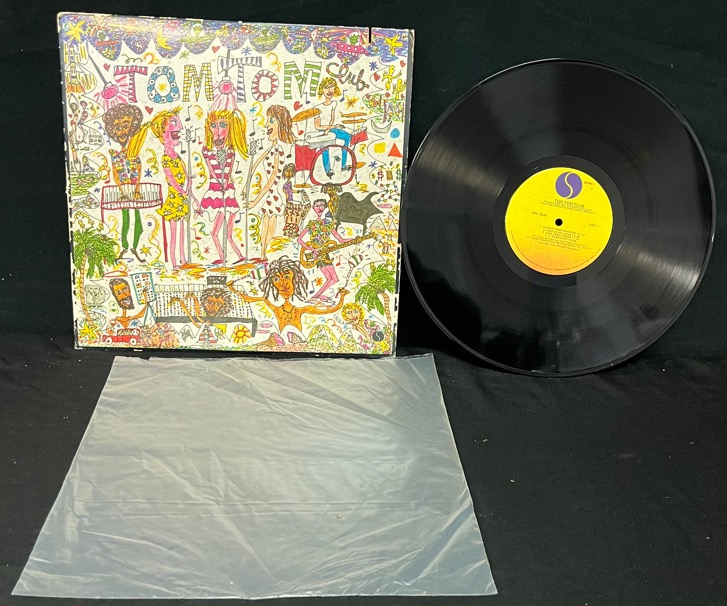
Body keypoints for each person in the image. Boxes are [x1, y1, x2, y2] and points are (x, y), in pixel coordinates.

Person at [130, 107, 190, 269]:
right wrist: (182, 191)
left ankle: (183, 259)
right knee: (174, 232)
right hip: (174, 200)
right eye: (174, 123)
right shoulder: (166, 158)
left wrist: (189, 189)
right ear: (163, 133)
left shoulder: (178, 157)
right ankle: (174, 262)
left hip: (183, 199)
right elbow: (171, 179)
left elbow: (186, 176)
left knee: (182, 230)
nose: (180, 127)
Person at [199, 79, 249, 265]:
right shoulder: (207, 151)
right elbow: (212, 171)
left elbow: (226, 172)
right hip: (218, 192)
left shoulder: (230, 151)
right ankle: (226, 257)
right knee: (217, 232)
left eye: (223, 125)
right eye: (214, 126)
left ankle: (233, 257)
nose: (218, 131)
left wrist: (225, 182)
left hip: (227, 194)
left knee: (223, 233)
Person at [229, 256, 347, 334]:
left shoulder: (300, 309)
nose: (283, 284)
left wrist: (342, 297)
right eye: (276, 279)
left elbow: (331, 309)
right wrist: (232, 289)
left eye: (286, 277)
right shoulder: (274, 307)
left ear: (295, 280)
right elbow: (248, 299)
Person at [247, 105, 295, 261]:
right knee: (265, 223)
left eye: (272, 120)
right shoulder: (271, 149)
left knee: (269, 223)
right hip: (270, 194)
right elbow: (254, 166)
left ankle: (264, 253)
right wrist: (247, 182)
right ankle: (262, 253)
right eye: (267, 120)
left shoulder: (278, 151)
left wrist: (255, 201)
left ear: (281, 124)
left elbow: (272, 179)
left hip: (273, 194)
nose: (267, 124)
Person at [103, 103, 146, 262]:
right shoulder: (115, 155)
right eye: (117, 127)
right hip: (124, 192)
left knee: (137, 220)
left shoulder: (134, 154)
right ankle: (125, 247)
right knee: (126, 219)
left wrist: (137, 189)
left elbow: (139, 172)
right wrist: (122, 192)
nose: (121, 131)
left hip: (134, 191)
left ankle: (135, 248)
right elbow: (116, 175)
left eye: (126, 126)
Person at [297, 197, 351, 301]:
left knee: (331, 278)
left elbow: (340, 239)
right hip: (317, 254)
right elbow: (299, 239)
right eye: (317, 206)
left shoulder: (328, 224)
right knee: (333, 278)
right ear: (313, 208)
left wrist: (353, 239)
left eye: (322, 205)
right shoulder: (312, 224)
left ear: (325, 207)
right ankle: (317, 296)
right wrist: (311, 249)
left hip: (325, 253)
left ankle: (317, 296)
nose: (319, 208)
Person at [313, 77, 352, 176]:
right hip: (322, 131)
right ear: (322, 90)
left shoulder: (334, 103)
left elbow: (332, 120)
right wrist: (328, 129)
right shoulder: (317, 108)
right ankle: (328, 170)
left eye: (331, 87)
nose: (329, 90)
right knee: (324, 146)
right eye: (326, 88)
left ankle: (343, 165)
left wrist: (331, 128)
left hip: (331, 129)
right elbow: (317, 126)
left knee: (347, 137)